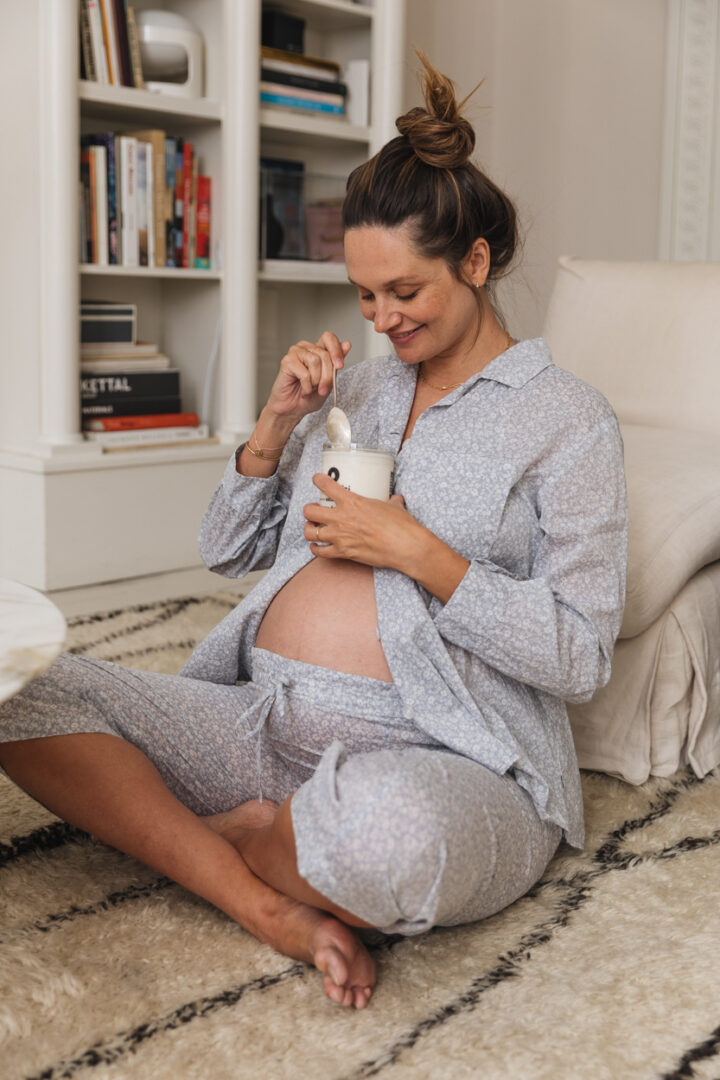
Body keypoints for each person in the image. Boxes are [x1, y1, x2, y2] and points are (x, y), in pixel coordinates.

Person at [0, 54, 627, 1011]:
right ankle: (263, 895)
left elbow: (581, 655)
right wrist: (275, 427)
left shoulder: (567, 420)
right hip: (264, 715)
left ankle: (233, 840)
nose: (382, 319)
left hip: (442, 749)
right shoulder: (362, 388)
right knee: (17, 688)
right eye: (365, 294)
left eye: (405, 293)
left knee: (390, 838)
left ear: (476, 261)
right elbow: (228, 550)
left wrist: (420, 552)